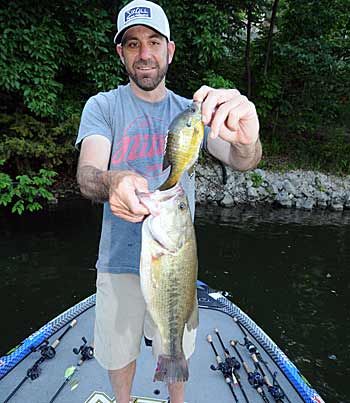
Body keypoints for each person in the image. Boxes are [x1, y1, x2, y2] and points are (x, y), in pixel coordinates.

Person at [75, 0, 262, 402]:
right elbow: (87, 174)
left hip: (176, 256)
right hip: (117, 261)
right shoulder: (103, 106)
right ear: (121, 52)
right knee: (118, 351)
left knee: (175, 344)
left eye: (154, 42)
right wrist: (113, 180)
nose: (144, 53)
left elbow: (242, 159)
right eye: (133, 43)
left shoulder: (192, 114)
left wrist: (248, 138)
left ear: (169, 50)